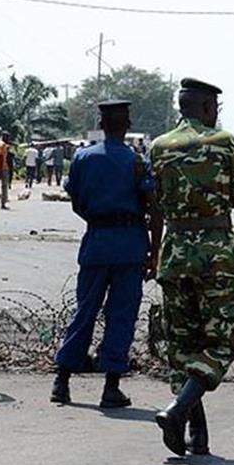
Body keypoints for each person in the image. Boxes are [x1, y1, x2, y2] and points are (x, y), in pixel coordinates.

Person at [150, 78, 234, 457]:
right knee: (222, 342)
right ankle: (178, 410)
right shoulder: (223, 141)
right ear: (209, 108)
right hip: (215, 254)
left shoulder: (159, 147)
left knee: (184, 345)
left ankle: (197, 436)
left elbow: (158, 199)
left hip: (175, 253)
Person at [50, 100, 163, 408]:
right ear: (127, 125)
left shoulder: (83, 157)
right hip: (130, 243)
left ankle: (62, 381)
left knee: (84, 310)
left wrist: (96, 218)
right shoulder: (137, 161)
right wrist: (155, 251)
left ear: (100, 125)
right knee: (122, 314)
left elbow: (75, 199)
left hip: (97, 239)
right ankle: (111, 386)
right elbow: (154, 207)